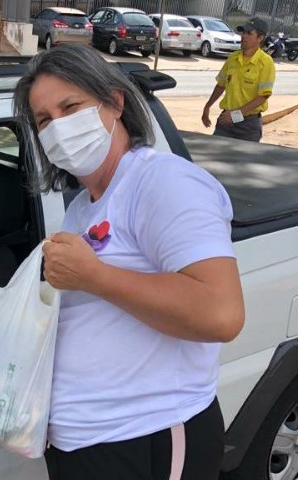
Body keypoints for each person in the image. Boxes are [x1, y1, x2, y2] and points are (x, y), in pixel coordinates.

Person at [13, 45, 245, 480]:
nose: (59, 128)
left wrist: (94, 276)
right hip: (87, 443)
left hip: (148, 440)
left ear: (115, 103)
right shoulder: (84, 205)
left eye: (71, 107)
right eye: (44, 120)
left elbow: (222, 313)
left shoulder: (163, 182)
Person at [202, 17, 275, 142]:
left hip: (248, 125)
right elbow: (221, 85)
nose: (243, 36)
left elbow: (263, 96)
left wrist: (235, 115)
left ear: (260, 38)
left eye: (249, 33)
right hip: (226, 121)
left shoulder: (266, 62)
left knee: (243, 161)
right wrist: (207, 106)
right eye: (243, 32)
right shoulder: (233, 58)